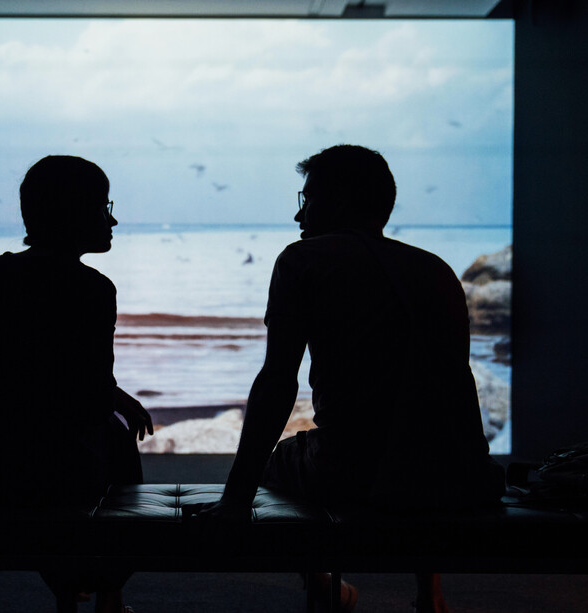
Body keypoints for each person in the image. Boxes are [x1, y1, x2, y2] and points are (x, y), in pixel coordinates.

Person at [192, 145, 505, 612]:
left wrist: (236, 500)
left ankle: (324, 586)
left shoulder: (303, 260)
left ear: (337, 200)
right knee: (417, 437)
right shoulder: (436, 269)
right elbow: (447, 389)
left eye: (307, 199)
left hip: (356, 476)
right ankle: (430, 595)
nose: (299, 215)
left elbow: (278, 380)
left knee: (278, 462)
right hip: (461, 477)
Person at [0, 155, 153, 613]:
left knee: (57, 441)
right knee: (107, 439)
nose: (112, 220)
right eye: (103, 207)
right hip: (49, 477)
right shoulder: (92, 288)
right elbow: (90, 400)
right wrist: (109, 401)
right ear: (75, 212)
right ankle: (109, 595)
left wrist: (107, 395)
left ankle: (69, 594)